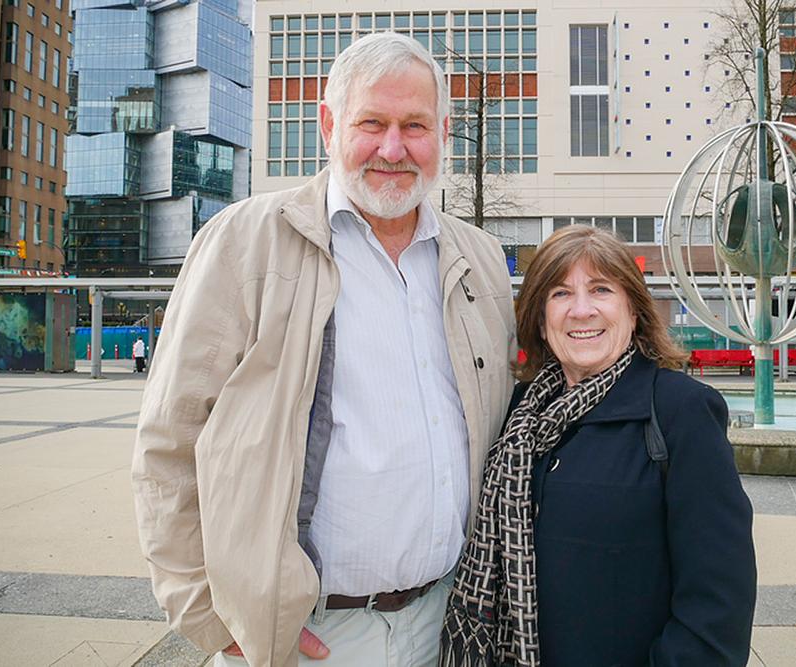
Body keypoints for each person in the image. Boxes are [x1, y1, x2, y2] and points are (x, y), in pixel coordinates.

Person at [132, 33, 516, 667]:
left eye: (415, 125)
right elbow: (168, 442)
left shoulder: (477, 258)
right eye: (372, 123)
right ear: (329, 125)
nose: (393, 149)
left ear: (444, 132)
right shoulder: (245, 243)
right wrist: (208, 612)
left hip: (449, 623)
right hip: (310, 640)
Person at [442, 226, 756, 666]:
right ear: (538, 317)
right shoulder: (514, 415)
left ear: (633, 311)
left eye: (601, 290)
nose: (581, 310)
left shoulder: (679, 411)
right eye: (560, 293)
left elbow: (718, 602)